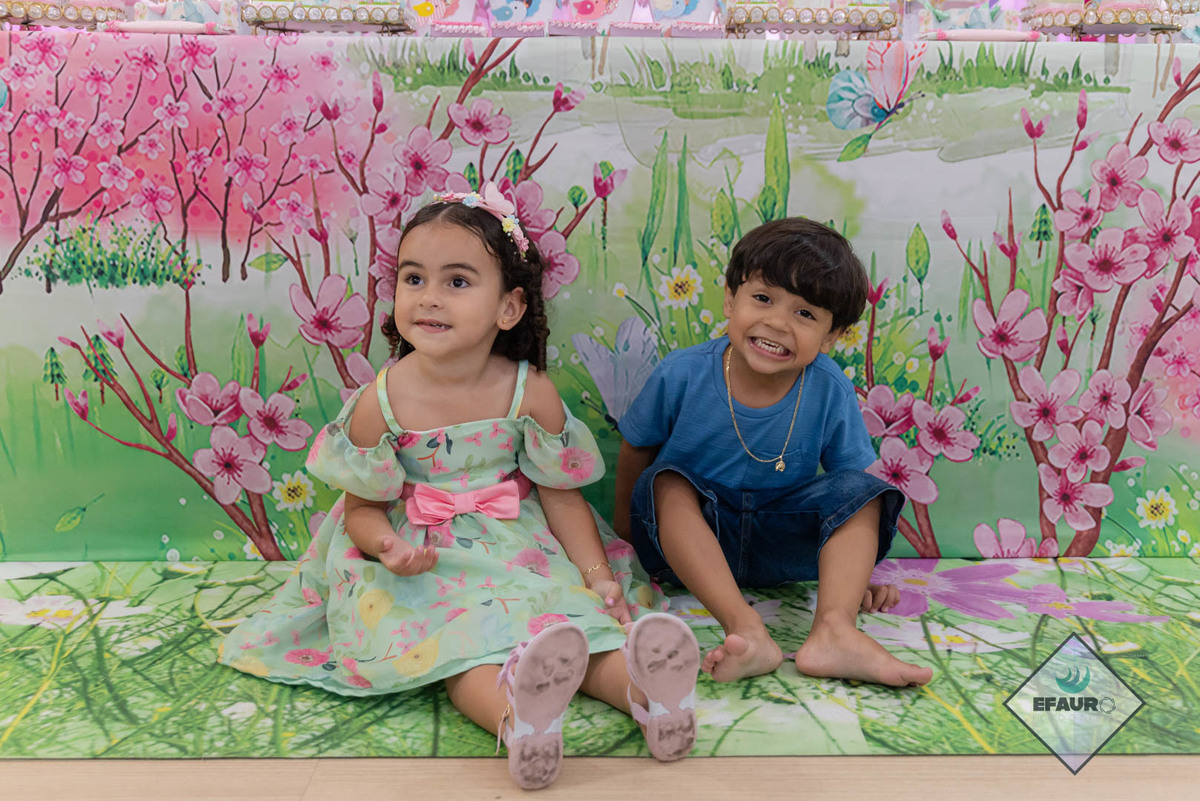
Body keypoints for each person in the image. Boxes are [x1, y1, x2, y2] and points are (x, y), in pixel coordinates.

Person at [219, 184, 701, 790]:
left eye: (456, 281)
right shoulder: (380, 402)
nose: (429, 297)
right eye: (413, 279)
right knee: (462, 646)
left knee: (580, 620)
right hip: (423, 553)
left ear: (509, 307)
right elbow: (362, 508)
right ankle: (521, 720)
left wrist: (598, 575)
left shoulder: (529, 392)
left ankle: (648, 693)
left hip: (519, 543)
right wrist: (388, 548)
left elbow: (560, 496)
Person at [613, 217, 933, 688]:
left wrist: (851, 578)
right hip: (692, 547)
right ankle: (746, 629)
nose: (778, 323)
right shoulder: (682, 373)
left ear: (832, 336)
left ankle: (835, 630)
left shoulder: (828, 388)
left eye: (805, 313)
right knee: (666, 482)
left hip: (783, 546)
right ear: (730, 299)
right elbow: (636, 448)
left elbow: (847, 500)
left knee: (866, 490)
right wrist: (625, 538)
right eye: (763, 298)